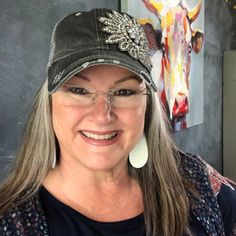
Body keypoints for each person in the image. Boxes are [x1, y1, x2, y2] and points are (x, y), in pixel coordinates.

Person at [0, 8, 235, 236]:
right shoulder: (10, 221)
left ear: (147, 105)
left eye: (124, 92)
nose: (102, 115)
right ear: (49, 104)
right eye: (79, 90)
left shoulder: (196, 179)